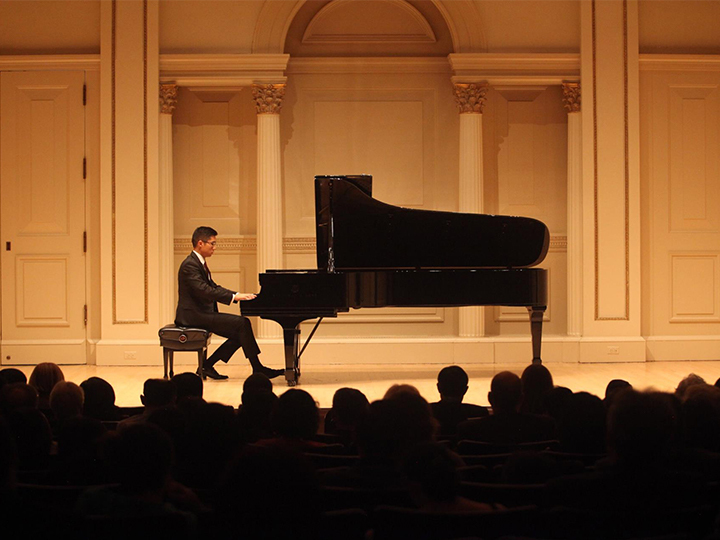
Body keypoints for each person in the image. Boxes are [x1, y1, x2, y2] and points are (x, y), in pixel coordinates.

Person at [175, 226, 283, 380]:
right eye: (212, 243)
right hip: (192, 315)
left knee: (241, 331)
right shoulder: (190, 265)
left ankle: (208, 365)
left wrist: (236, 294)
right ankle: (257, 368)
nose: (215, 247)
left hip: (200, 313)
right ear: (200, 243)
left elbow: (213, 287)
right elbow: (205, 290)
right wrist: (234, 297)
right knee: (242, 324)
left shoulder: (197, 263)